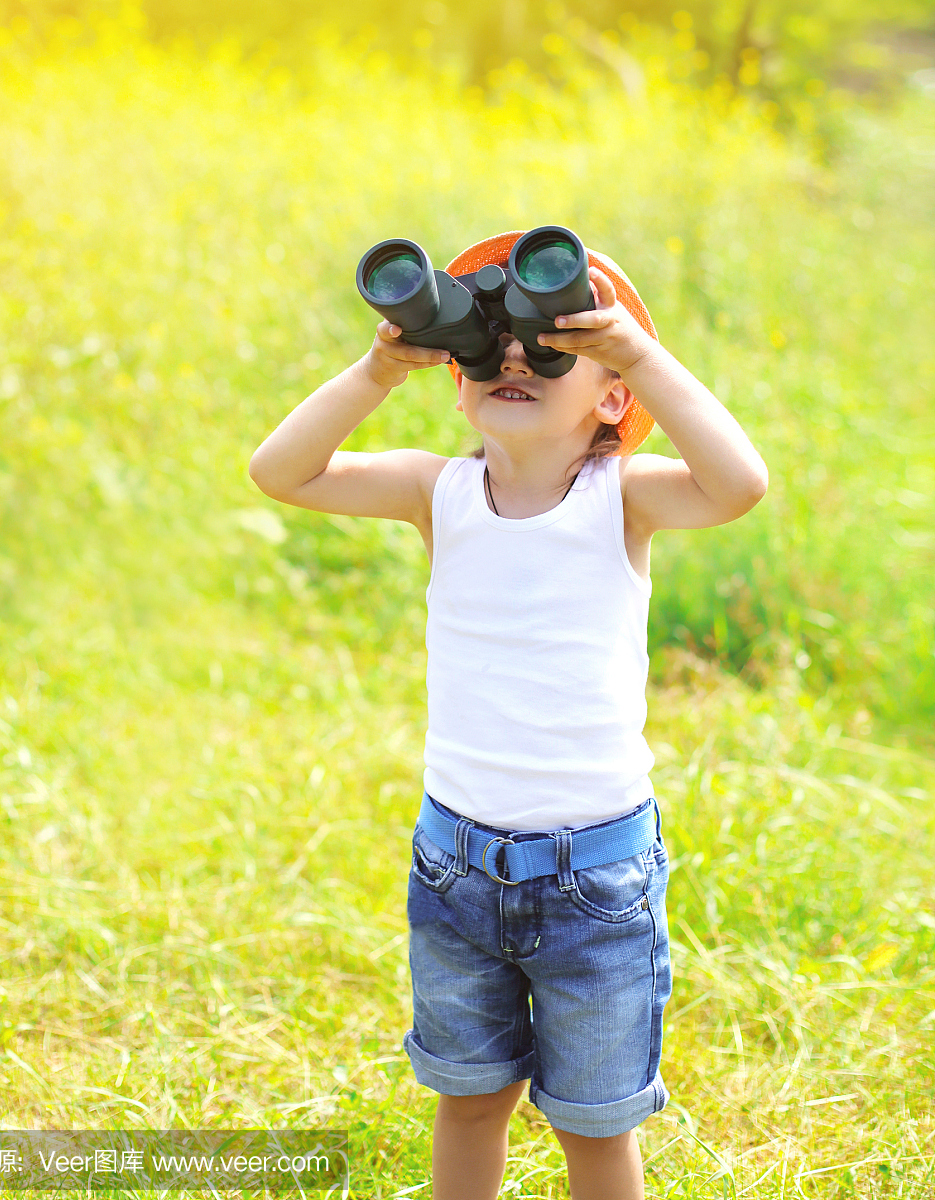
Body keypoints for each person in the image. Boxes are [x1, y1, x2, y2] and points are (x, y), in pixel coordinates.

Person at [248, 232, 768, 1200]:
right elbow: (279, 471)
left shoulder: (623, 498)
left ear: (612, 398)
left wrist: (640, 353)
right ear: (457, 379)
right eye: (487, 350)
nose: (514, 361)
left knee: (594, 1127)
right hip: (456, 868)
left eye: (552, 352)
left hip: (596, 881)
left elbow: (740, 484)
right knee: (472, 1099)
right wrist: (376, 366)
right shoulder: (432, 491)